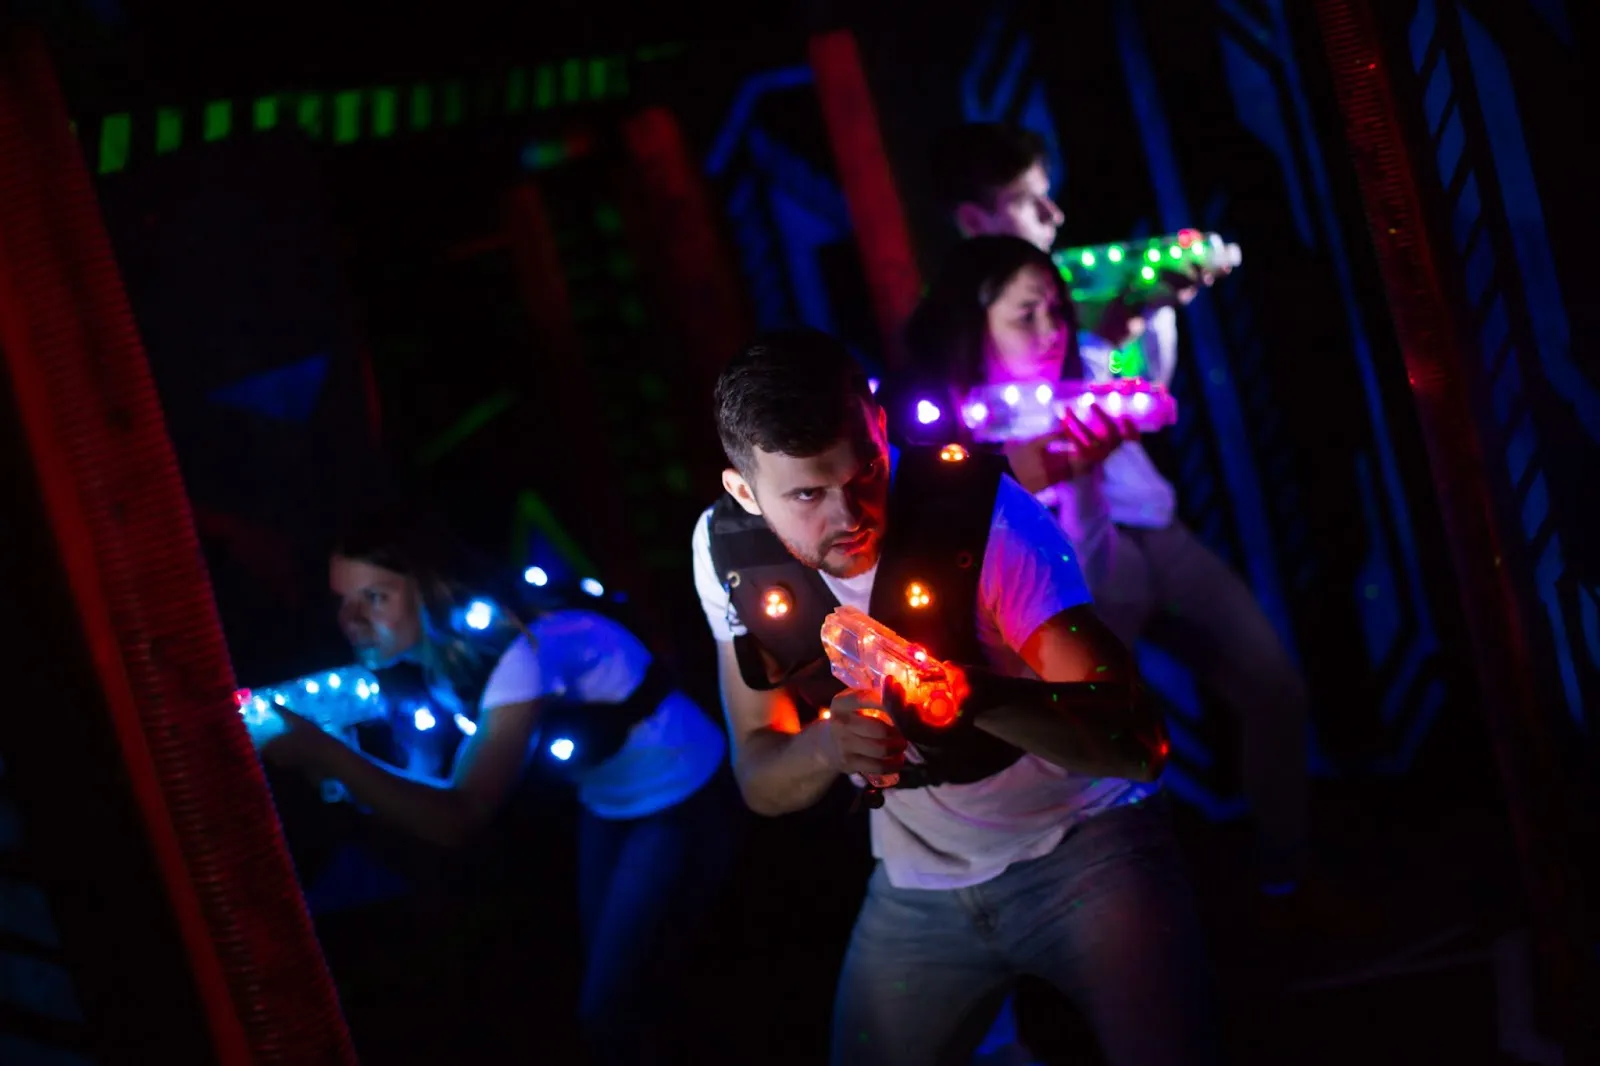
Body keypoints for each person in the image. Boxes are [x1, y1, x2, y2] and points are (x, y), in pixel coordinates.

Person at [690, 327, 1216, 1066]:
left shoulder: (987, 517)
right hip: (918, 886)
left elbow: (1137, 743)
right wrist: (829, 744)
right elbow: (759, 777)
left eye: (867, 471)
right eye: (808, 494)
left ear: (880, 427)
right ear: (744, 491)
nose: (850, 515)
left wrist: (970, 697)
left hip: (1086, 850)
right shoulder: (727, 551)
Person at [929, 123, 1314, 903]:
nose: (1053, 215)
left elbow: (1140, 392)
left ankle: (1283, 880)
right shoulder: (962, 336)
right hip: (1066, 555)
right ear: (975, 219)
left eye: (1051, 311)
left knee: (1271, 684)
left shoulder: (1074, 296)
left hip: (1150, 530)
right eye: (1029, 201)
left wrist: (1145, 318)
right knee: (1108, 744)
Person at [261, 503, 734, 1065]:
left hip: (685, 795)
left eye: (375, 597)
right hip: (608, 803)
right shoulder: (438, 661)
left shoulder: (521, 650)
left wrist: (331, 756)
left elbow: (458, 815)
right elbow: (421, 790)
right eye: (343, 600)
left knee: (611, 1008)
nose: (351, 620)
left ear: (430, 588)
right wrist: (339, 765)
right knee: (624, 992)